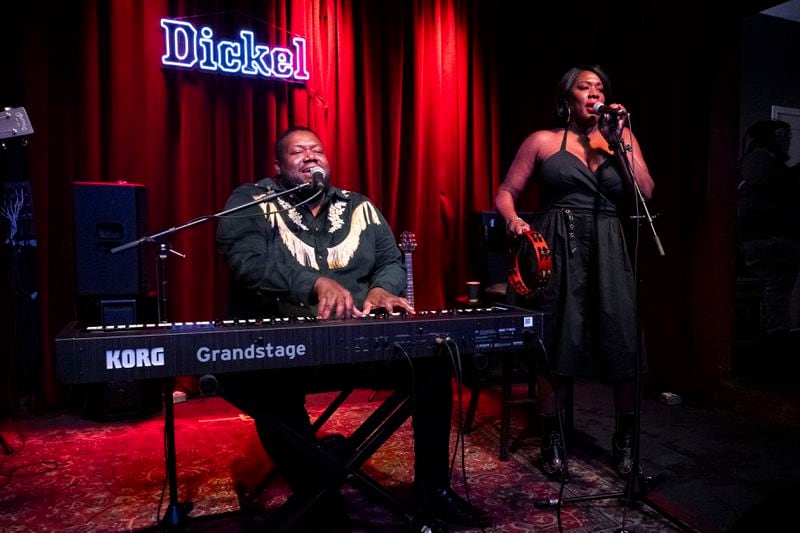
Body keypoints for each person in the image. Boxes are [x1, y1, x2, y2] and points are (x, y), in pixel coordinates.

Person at [216, 126, 489, 530]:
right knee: (268, 389)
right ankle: (320, 497)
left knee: (433, 366)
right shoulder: (251, 201)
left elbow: (390, 260)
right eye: (298, 152)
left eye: (317, 150)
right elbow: (247, 262)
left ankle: (433, 490)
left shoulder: (360, 207)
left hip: (360, 342)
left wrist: (380, 291)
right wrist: (315, 283)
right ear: (277, 166)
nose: (311, 156)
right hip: (286, 351)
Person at [494, 65, 655, 480]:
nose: (594, 92)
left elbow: (646, 191)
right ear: (567, 98)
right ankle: (554, 439)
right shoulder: (543, 141)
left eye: (600, 87)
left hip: (608, 245)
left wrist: (622, 139)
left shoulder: (621, 139)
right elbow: (506, 192)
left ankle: (625, 441)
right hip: (556, 243)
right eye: (585, 87)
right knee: (556, 339)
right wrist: (514, 221)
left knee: (622, 338)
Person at [737, 120, 800, 357]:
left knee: (773, 297)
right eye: (783, 136)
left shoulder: (764, 163)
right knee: (774, 297)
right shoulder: (759, 161)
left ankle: (770, 349)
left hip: (770, 242)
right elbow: (768, 182)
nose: (787, 141)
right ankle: (773, 353)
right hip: (770, 242)